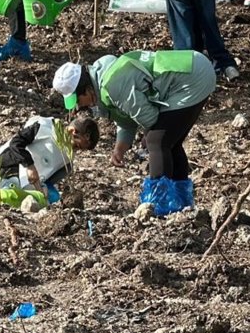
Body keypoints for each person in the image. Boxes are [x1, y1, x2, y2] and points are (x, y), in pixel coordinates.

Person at [53, 51, 217, 216]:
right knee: (168, 143)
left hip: (191, 78)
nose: (79, 106)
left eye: (78, 100)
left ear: (87, 90)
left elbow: (148, 117)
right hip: (192, 68)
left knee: (157, 141)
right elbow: (126, 115)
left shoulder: (113, 83)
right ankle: (182, 203)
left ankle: (158, 205)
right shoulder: (104, 75)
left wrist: (148, 136)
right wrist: (120, 147)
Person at [0, 115, 98, 204]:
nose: (74, 150)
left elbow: (47, 180)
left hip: (27, 185)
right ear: (72, 131)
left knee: (52, 197)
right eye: (76, 146)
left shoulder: (67, 162)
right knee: (7, 193)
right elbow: (16, 144)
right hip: (6, 167)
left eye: (79, 149)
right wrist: (30, 166)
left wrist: (43, 189)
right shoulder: (43, 127)